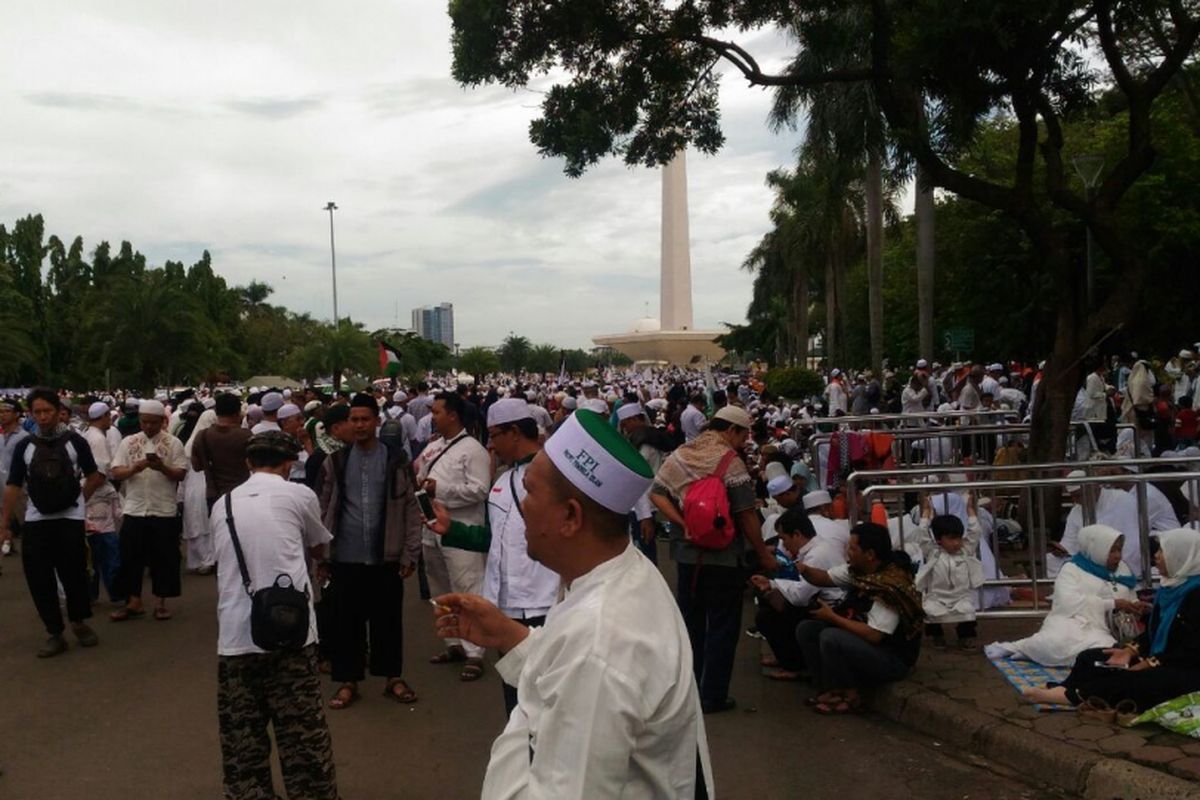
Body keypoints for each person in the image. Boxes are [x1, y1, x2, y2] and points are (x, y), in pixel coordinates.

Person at [431, 408, 713, 799]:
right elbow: (567, 661)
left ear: (569, 516)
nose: (521, 505)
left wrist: (525, 712)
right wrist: (512, 636)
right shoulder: (622, 572)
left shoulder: (599, 642)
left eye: (529, 490)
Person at [210, 431, 339, 800]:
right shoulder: (298, 494)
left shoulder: (224, 504)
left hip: (236, 635)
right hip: (292, 631)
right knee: (302, 733)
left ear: (248, 464)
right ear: (289, 464)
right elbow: (318, 547)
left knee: (242, 736)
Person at [425, 398, 560, 715]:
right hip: (506, 605)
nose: (491, 444)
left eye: (495, 435)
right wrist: (452, 530)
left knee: (547, 700)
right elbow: (495, 540)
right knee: (515, 701)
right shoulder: (502, 482)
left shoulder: (554, 479)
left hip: (545, 603)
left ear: (514, 432)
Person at [652, 405, 776, 714]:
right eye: (744, 433)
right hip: (723, 558)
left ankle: (688, 689)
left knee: (691, 622)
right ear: (731, 430)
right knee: (722, 626)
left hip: (687, 554)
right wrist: (762, 553)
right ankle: (713, 696)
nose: (745, 440)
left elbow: (656, 493)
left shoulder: (682, 454)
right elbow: (746, 515)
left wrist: (683, 525)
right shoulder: (730, 463)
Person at [316, 393, 423, 709]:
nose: (359, 425)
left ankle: (392, 677)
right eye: (354, 419)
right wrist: (322, 555)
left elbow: (411, 507)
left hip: (385, 557)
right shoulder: (334, 462)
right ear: (347, 423)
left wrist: (410, 552)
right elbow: (322, 509)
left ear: (377, 422)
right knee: (345, 621)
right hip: (345, 557)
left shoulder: (395, 460)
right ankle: (348, 681)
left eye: (365, 419)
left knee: (387, 620)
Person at [1023, 528, 1200, 712]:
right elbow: (1153, 633)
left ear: (1181, 556)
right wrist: (1130, 651)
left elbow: (1191, 650)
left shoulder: (1196, 594)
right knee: (1092, 657)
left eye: (1162, 551)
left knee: (1135, 681)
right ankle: (1068, 687)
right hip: (1158, 657)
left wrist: (1148, 663)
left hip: (1186, 669)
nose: (1156, 556)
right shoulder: (1172, 587)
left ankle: (1071, 697)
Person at [1, 388, 104, 656]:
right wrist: (4, 523)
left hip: (69, 519)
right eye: (38, 412)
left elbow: (94, 476)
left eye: (48, 411)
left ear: (59, 411)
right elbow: (13, 485)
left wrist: (78, 500)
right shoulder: (25, 445)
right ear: (31, 414)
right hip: (36, 520)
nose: (43, 417)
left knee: (75, 573)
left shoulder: (76, 442)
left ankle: (79, 622)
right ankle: (54, 632)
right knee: (39, 577)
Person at [795, 522, 925, 714]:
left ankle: (851, 695)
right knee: (807, 629)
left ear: (870, 554)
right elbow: (824, 578)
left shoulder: (889, 586)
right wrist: (802, 569)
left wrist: (832, 617)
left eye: (853, 548)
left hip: (892, 659)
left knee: (831, 636)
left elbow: (875, 635)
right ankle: (830, 688)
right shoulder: (861, 572)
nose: (848, 552)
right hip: (869, 648)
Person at [986, 524, 1147, 666]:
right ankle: (1025, 649)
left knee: (1105, 647)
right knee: (1054, 642)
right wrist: (1112, 604)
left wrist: (1134, 604)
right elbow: (1067, 603)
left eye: (1119, 550)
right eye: (1112, 550)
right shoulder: (1072, 569)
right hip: (1070, 621)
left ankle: (1035, 654)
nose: (1118, 556)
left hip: (1109, 629)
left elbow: (1129, 594)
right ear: (1097, 548)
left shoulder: (1122, 568)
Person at [417, 391, 492, 681]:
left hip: (461, 528)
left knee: (467, 586)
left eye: (436, 412)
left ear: (453, 415)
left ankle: (476, 651)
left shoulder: (473, 450)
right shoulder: (433, 447)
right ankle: (453, 642)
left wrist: (442, 491)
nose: (432, 417)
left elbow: (479, 490)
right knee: (440, 588)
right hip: (431, 526)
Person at [109, 399, 189, 622]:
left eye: (153, 423)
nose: (148, 427)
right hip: (134, 509)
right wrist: (135, 467)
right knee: (130, 557)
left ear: (163, 421)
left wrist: (161, 467)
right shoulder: (129, 442)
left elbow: (181, 473)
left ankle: (160, 602)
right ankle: (133, 601)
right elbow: (116, 472)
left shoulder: (173, 443)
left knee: (163, 558)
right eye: (144, 422)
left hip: (163, 509)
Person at [748, 507, 845, 680]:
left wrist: (773, 586)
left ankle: (793, 665)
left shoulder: (817, 555)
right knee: (770, 602)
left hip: (831, 607)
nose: (783, 544)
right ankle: (787, 659)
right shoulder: (814, 549)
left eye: (784, 539)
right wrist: (771, 584)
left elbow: (800, 596)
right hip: (817, 600)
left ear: (797, 535)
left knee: (768, 617)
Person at [911, 495, 985, 651]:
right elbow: (922, 533)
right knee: (930, 612)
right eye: (951, 539)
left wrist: (970, 511)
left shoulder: (965, 551)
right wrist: (926, 512)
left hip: (960, 597)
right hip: (937, 597)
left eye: (958, 538)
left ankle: (965, 637)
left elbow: (975, 533)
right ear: (939, 539)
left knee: (968, 612)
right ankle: (936, 636)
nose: (956, 543)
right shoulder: (932, 553)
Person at [616, 402, 673, 563]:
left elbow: (637, 477)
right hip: (645, 501)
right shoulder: (649, 436)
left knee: (644, 551)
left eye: (625, 424)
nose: (624, 428)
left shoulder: (644, 442)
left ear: (634, 419)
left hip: (643, 504)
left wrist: (645, 516)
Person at [82, 401, 123, 602]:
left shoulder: (89, 434)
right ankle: (115, 592)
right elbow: (98, 475)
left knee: (94, 548)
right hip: (97, 499)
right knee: (107, 547)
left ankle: (91, 592)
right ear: (105, 416)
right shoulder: (97, 439)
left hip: (93, 498)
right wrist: (84, 499)